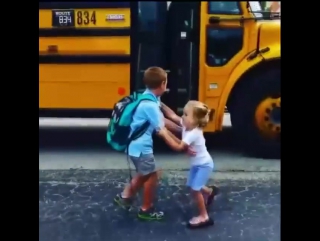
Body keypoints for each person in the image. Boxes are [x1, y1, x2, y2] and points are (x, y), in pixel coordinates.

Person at [113, 66, 185, 221]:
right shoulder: (150, 105)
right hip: (141, 149)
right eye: (166, 82)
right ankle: (146, 210)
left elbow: (165, 117)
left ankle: (125, 197)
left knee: (144, 174)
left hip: (134, 147)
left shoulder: (147, 97)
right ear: (162, 84)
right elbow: (162, 130)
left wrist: (181, 128)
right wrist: (180, 144)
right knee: (152, 175)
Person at [160, 100, 218, 228]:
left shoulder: (193, 133)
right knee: (192, 185)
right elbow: (172, 116)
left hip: (204, 165)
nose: (182, 116)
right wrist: (161, 104)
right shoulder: (187, 125)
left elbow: (179, 147)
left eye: (186, 115)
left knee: (195, 190)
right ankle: (208, 192)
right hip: (197, 164)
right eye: (184, 113)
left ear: (195, 120)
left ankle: (204, 216)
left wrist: (165, 134)